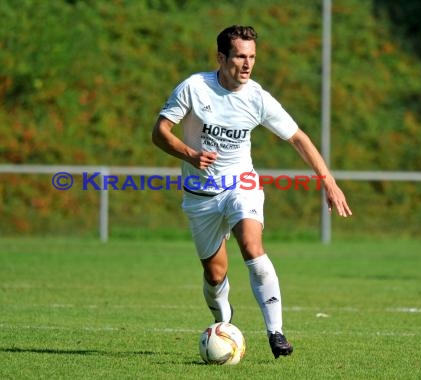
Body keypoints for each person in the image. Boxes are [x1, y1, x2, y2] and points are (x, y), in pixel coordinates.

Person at [151, 25, 352, 359]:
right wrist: (190, 154)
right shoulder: (194, 88)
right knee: (214, 275)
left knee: (252, 246)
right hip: (201, 196)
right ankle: (223, 321)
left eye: (252, 57)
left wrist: (328, 180)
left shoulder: (257, 97)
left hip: (241, 185)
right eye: (240, 56)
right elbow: (159, 132)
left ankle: (276, 333)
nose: (247, 64)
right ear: (221, 57)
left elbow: (297, 137)